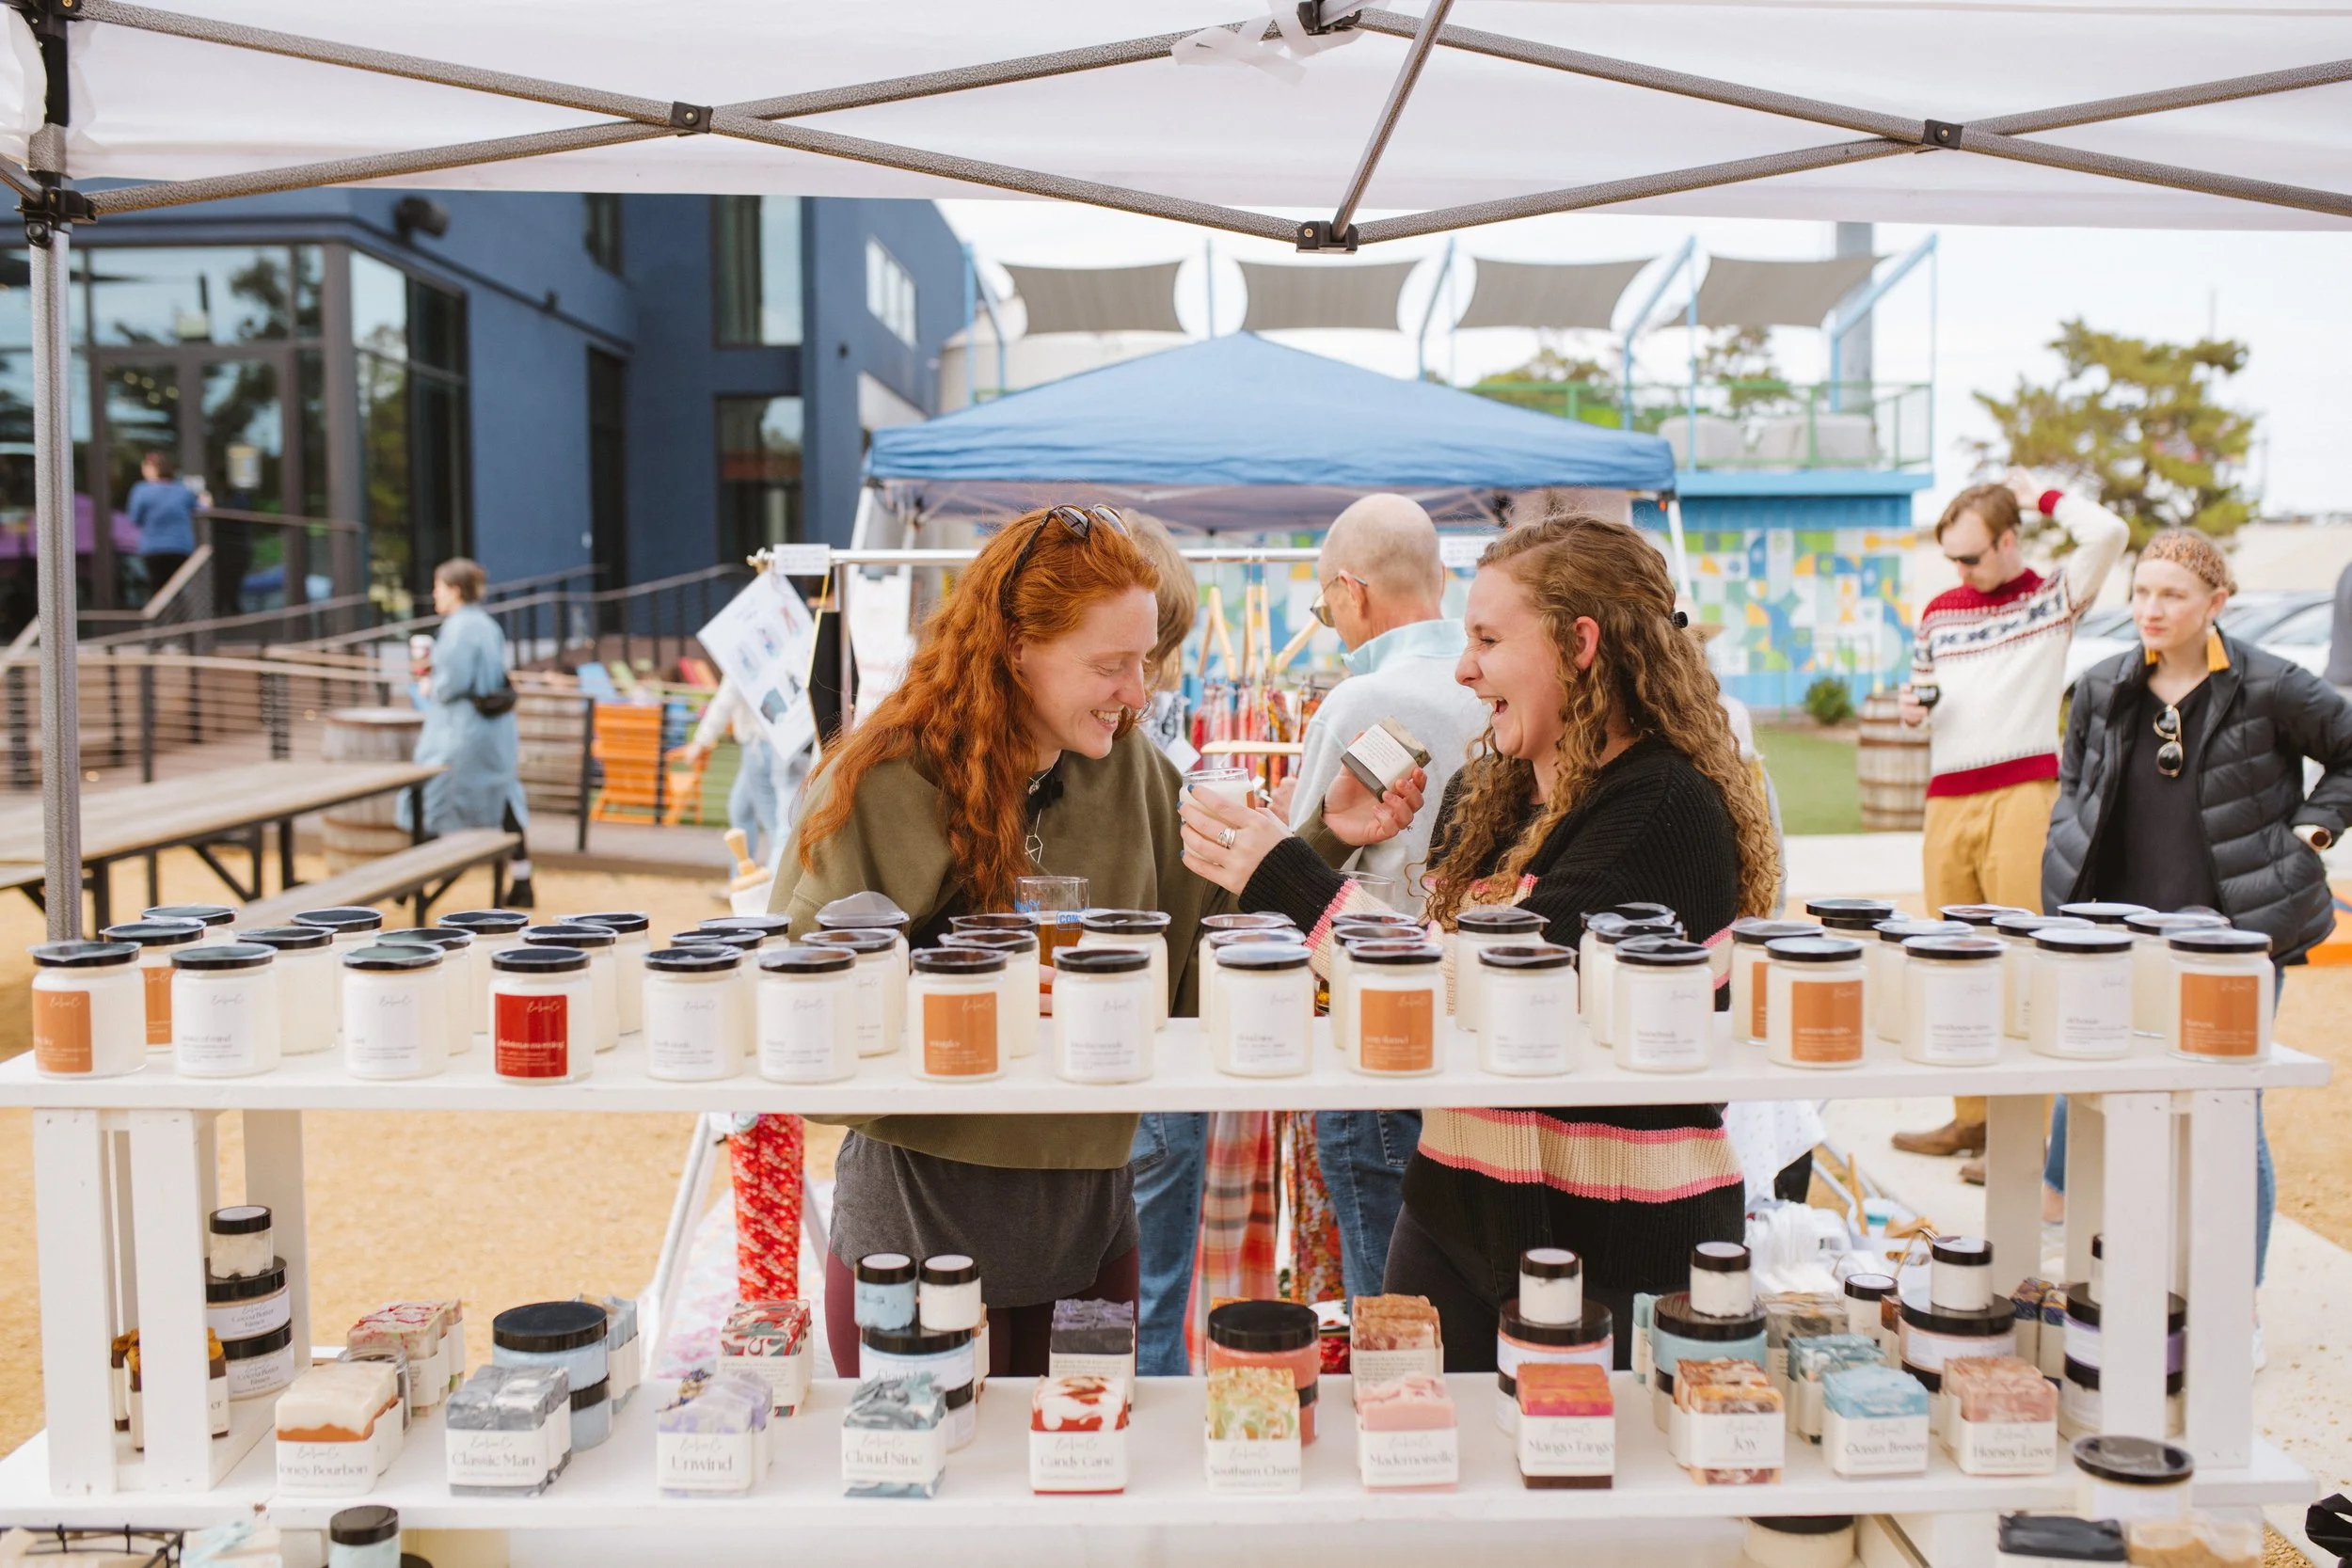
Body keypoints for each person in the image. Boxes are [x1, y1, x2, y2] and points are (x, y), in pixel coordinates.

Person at [1179, 515, 1780, 1366]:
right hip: (1456, 1202)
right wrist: (1332, 837)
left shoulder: (1663, 808)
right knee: (1419, 1455)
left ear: (1580, 642)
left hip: (1617, 1238)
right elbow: (1428, 973)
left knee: (1593, 1481)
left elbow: (1498, 987)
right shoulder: (1483, 793)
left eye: (1488, 639)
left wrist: (1286, 872)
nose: (1463, 669)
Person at [771, 504, 1225, 1379]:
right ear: (1017, 646)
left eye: (1145, 662)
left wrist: (1322, 839)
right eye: (1111, 665)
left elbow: (1205, 960)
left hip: (1091, 1219)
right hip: (915, 1227)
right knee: (916, 1490)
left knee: (1084, 1480)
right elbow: (808, 1017)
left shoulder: (1130, 765)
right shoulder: (887, 775)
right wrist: (970, 991)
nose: (1139, 694)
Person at [2042, 528, 2352, 1295]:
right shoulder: (2104, 685)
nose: (2152, 607)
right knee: (2077, 1101)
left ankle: (2233, 1306)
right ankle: (2065, 1274)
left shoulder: (2272, 684)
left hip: (2234, 940)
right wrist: (2066, 849)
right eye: (2142, 591)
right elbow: (2074, 782)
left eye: (2172, 594)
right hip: (2116, 939)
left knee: (2227, 1119)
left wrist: (2310, 837)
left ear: (2217, 602)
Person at [1891, 469, 2129, 1167]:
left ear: (2008, 540)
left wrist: (2042, 493)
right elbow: (1924, 691)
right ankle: (1973, 1119)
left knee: (2022, 959)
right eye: (1953, 557)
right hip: (1946, 794)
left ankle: (2025, 1137)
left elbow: (2109, 532)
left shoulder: (2054, 597)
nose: (1961, 569)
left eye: (1971, 555)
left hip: (2024, 790)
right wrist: (1913, 709)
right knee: (1952, 960)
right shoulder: (1938, 612)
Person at [407, 558, 534, 906]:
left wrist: (430, 682)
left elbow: (452, 684)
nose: (434, 593)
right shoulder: (486, 624)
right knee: (504, 797)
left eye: (438, 586)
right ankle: (522, 879)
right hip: (496, 729)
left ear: (454, 590)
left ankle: (415, 879)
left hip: (464, 730)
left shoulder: (459, 628)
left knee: (428, 794)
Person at [681, 678, 790, 864]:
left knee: (776, 825)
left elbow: (724, 701)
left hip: (759, 746)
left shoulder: (741, 658)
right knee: (740, 810)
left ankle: (776, 882)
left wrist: (701, 741)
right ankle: (742, 879)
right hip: (766, 745)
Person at [124, 450, 198, 607]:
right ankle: (181, 626)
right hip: (180, 547)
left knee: (156, 590)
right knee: (178, 591)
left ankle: (158, 628)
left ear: (152, 469)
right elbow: (200, 509)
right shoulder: (183, 490)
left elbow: (134, 518)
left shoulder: (142, 490)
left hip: (153, 547)